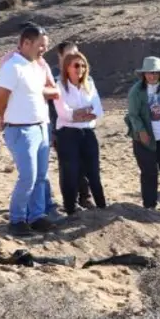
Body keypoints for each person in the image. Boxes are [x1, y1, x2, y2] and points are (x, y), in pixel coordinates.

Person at [0, 24, 60, 236]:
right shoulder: (13, 67)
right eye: (41, 45)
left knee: (41, 176)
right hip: (21, 130)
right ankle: (17, 220)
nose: (43, 50)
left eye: (46, 46)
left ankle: (37, 216)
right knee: (28, 177)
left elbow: (48, 91)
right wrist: (4, 117)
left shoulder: (36, 66)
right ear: (26, 43)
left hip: (41, 127)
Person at [51, 51, 106, 215]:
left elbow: (98, 109)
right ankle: (70, 208)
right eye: (76, 65)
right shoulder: (59, 85)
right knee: (70, 172)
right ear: (67, 67)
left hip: (88, 132)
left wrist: (79, 113)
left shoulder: (89, 83)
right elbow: (64, 113)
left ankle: (102, 205)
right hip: (68, 135)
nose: (80, 69)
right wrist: (80, 113)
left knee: (93, 172)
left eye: (83, 65)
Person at [125, 57, 160, 210]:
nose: (152, 75)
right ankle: (149, 205)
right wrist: (141, 131)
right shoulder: (136, 91)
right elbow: (133, 115)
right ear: (144, 74)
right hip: (145, 137)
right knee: (149, 172)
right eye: (149, 72)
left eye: (156, 72)